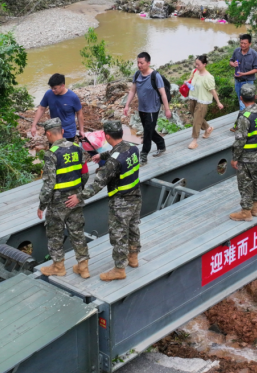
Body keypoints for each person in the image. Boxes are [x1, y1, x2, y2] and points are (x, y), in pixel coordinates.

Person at [66, 120, 141, 282]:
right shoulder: (133, 148)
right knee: (133, 227)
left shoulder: (113, 162)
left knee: (118, 234)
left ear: (107, 136)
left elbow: (97, 185)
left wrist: (79, 197)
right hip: (135, 195)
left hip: (121, 201)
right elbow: (118, 151)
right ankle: (133, 257)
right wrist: (103, 155)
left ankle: (119, 269)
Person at [36, 119, 90, 279]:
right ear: (63, 132)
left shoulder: (51, 154)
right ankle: (83, 267)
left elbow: (49, 184)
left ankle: (58, 266)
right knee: (77, 232)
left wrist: (42, 204)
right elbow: (85, 174)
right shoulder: (77, 149)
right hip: (75, 198)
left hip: (58, 203)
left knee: (55, 234)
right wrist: (78, 193)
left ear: (48, 134)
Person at [123, 52, 172, 165]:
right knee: (149, 130)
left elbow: (163, 94)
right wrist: (126, 105)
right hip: (142, 109)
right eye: (138, 63)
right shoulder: (137, 75)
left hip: (152, 109)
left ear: (148, 63)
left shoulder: (155, 76)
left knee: (147, 133)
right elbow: (132, 90)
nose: (139, 65)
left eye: (142, 63)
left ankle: (143, 155)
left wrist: (167, 109)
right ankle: (161, 144)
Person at [229, 85, 257, 221]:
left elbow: (240, 141)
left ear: (241, 98)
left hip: (246, 157)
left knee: (245, 183)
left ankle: (246, 212)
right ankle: (255, 207)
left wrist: (235, 158)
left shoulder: (244, 117)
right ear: (255, 97)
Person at [29, 74, 83, 142]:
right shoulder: (48, 94)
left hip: (68, 131)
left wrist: (81, 130)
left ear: (62, 86)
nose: (53, 90)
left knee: (67, 151)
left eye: (55, 88)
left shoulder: (73, 97)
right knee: (54, 150)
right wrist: (34, 125)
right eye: (51, 88)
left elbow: (79, 113)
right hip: (54, 130)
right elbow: (41, 109)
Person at [185, 54, 223, 149]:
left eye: (198, 65)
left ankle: (194, 140)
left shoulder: (209, 77)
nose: (196, 66)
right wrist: (186, 83)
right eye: (196, 64)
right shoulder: (194, 71)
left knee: (197, 119)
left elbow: (212, 90)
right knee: (195, 115)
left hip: (203, 100)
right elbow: (190, 80)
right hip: (193, 97)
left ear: (204, 64)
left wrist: (218, 102)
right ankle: (208, 128)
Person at [229, 34, 257, 113]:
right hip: (238, 81)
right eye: (241, 43)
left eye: (245, 43)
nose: (242, 45)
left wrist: (244, 74)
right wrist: (233, 64)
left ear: (250, 44)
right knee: (240, 100)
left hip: (248, 81)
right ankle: (244, 117)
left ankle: (246, 117)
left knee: (247, 101)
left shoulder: (254, 54)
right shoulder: (236, 51)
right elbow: (231, 61)